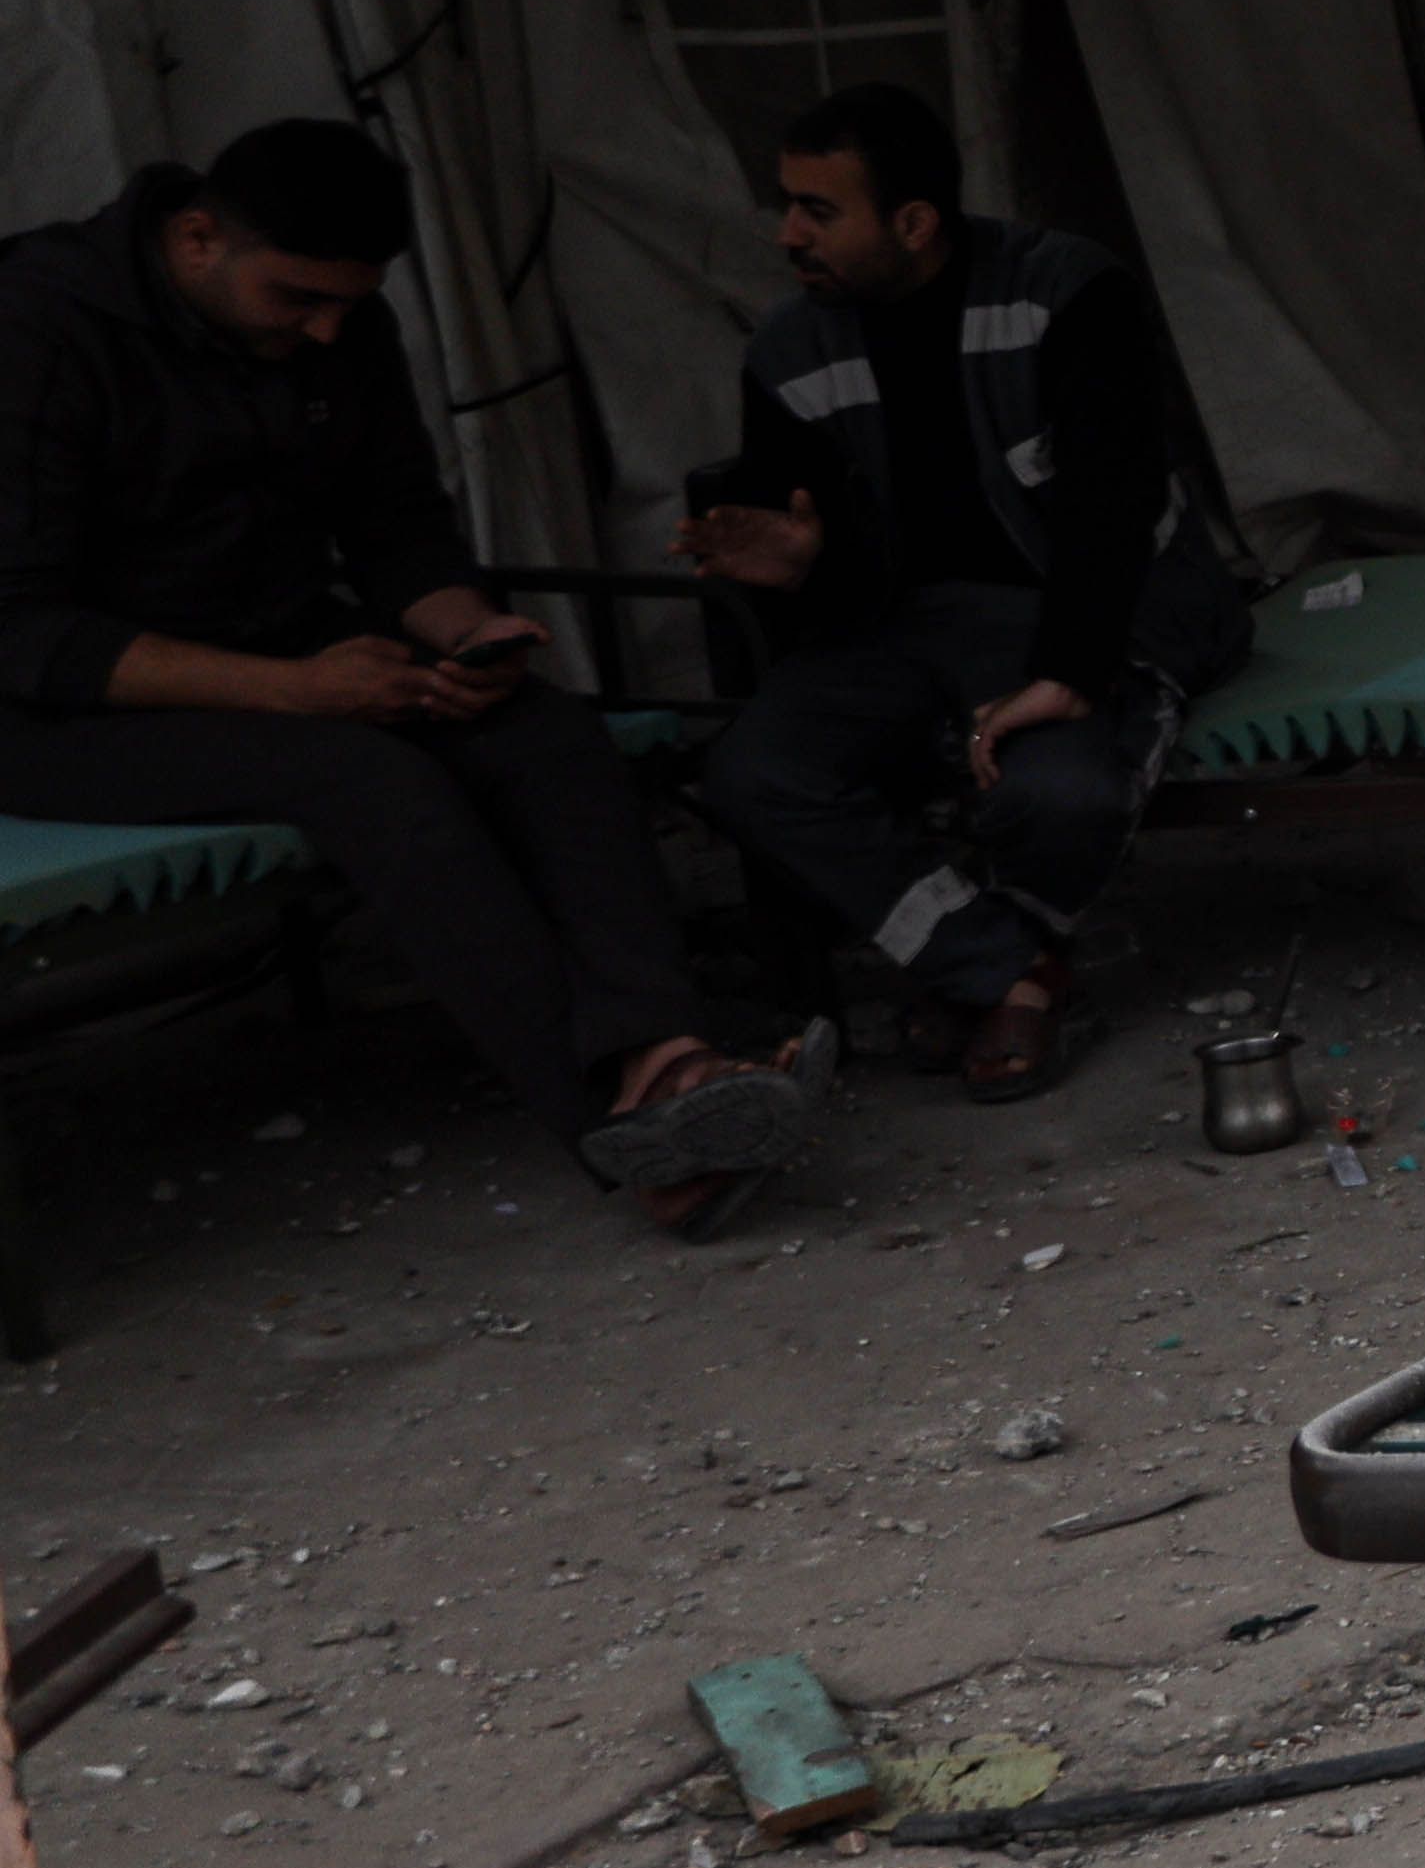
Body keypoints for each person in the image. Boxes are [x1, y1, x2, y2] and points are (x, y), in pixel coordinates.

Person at [0, 118, 814, 1231]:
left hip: (288, 649)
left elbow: (395, 529)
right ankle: (633, 1137)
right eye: (298, 299)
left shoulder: (338, 317)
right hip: (60, 711)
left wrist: (468, 632)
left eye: (349, 303)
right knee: (372, 779)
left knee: (546, 734)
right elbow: (21, 629)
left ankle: (665, 1057)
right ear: (196, 239)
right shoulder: (38, 326)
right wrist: (296, 689)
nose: (326, 329)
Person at [679, 86, 1251, 1106]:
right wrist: (800, 566)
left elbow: (1112, 502)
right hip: (900, 633)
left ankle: (980, 976)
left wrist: (1067, 673)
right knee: (754, 773)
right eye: (787, 203)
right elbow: (827, 567)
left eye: (818, 210)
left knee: (1061, 794)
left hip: (1085, 608)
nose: (787, 234)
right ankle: (1005, 973)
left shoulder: (1064, 291)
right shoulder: (788, 347)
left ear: (913, 222)